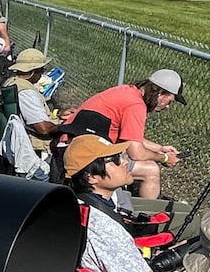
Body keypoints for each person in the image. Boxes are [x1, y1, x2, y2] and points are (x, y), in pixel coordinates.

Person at [63, 135, 168, 272]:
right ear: (92, 177)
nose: (126, 162)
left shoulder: (79, 205)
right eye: (116, 159)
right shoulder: (104, 226)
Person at [64, 69, 184, 200]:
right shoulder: (136, 105)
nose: (167, 107)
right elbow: (136, 153)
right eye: (170, 101)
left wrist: (160, 149)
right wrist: (164, 158)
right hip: (84, 156)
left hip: (73, 144)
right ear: (160, 93)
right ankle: (145, 216)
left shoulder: (127, 91)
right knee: (151, 170)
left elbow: (130, 137)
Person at [4, 48, 59, 152]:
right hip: (38, 143)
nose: (43, 72)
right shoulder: (27, 93)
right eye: (42, 69)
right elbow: (43, 128)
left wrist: (59, 116)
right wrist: (67, 125)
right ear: (33, 71)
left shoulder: (11, 82)